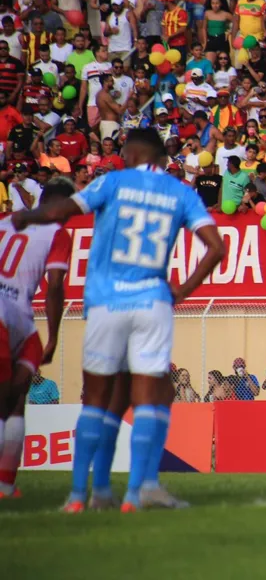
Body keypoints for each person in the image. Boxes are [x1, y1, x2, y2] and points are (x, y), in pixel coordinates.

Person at [12, 128, 225, 512]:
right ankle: (136, 494)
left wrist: (28, 215)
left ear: (131, 153)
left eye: (124, 155)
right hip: (151, 303)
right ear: (160, 157)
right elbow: (216, 247)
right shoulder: (180, 192)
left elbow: (61, 211)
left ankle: (81, 496)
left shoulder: (112, 181)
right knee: (149, 396)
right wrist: (184, 290)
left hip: (106, 303)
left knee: (96, 399)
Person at [0, 182, 73, 498]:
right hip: (15, 319)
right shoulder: (56, 232)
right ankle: (3, 484)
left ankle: (5, 484)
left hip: (18, 322)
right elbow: (55, 284)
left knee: (13, 401)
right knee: (11, 403)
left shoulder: (8, 221)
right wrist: (54, 335)